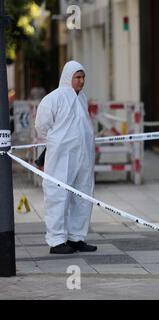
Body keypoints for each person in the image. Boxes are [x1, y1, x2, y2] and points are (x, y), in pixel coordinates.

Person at [35, 61, 97, 254]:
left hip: (83, 157)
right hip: (61, 157)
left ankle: (76, 237)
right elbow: (42, 126)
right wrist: (57, 142)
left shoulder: (82, 98)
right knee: (58, 195)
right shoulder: (54, 98)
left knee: (82, 195)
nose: (81, 81)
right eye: (77, 77)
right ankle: (56, 241)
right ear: (68, 77)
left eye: (83, 77)